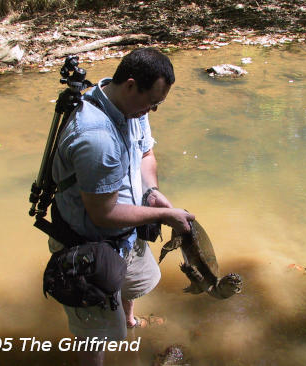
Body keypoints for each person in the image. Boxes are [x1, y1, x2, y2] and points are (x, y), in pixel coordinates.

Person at [48, 47, 195, 366]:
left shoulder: (131, 107)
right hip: (88, 246)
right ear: (130, 84)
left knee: (132, 284)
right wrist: (165, 215)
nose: (153, 110)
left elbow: (145, 154)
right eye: (151, 102)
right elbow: (105, 214)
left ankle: (129, 320)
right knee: (93, 338)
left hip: (127, 233)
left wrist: (152, 191)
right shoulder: (97, 138)